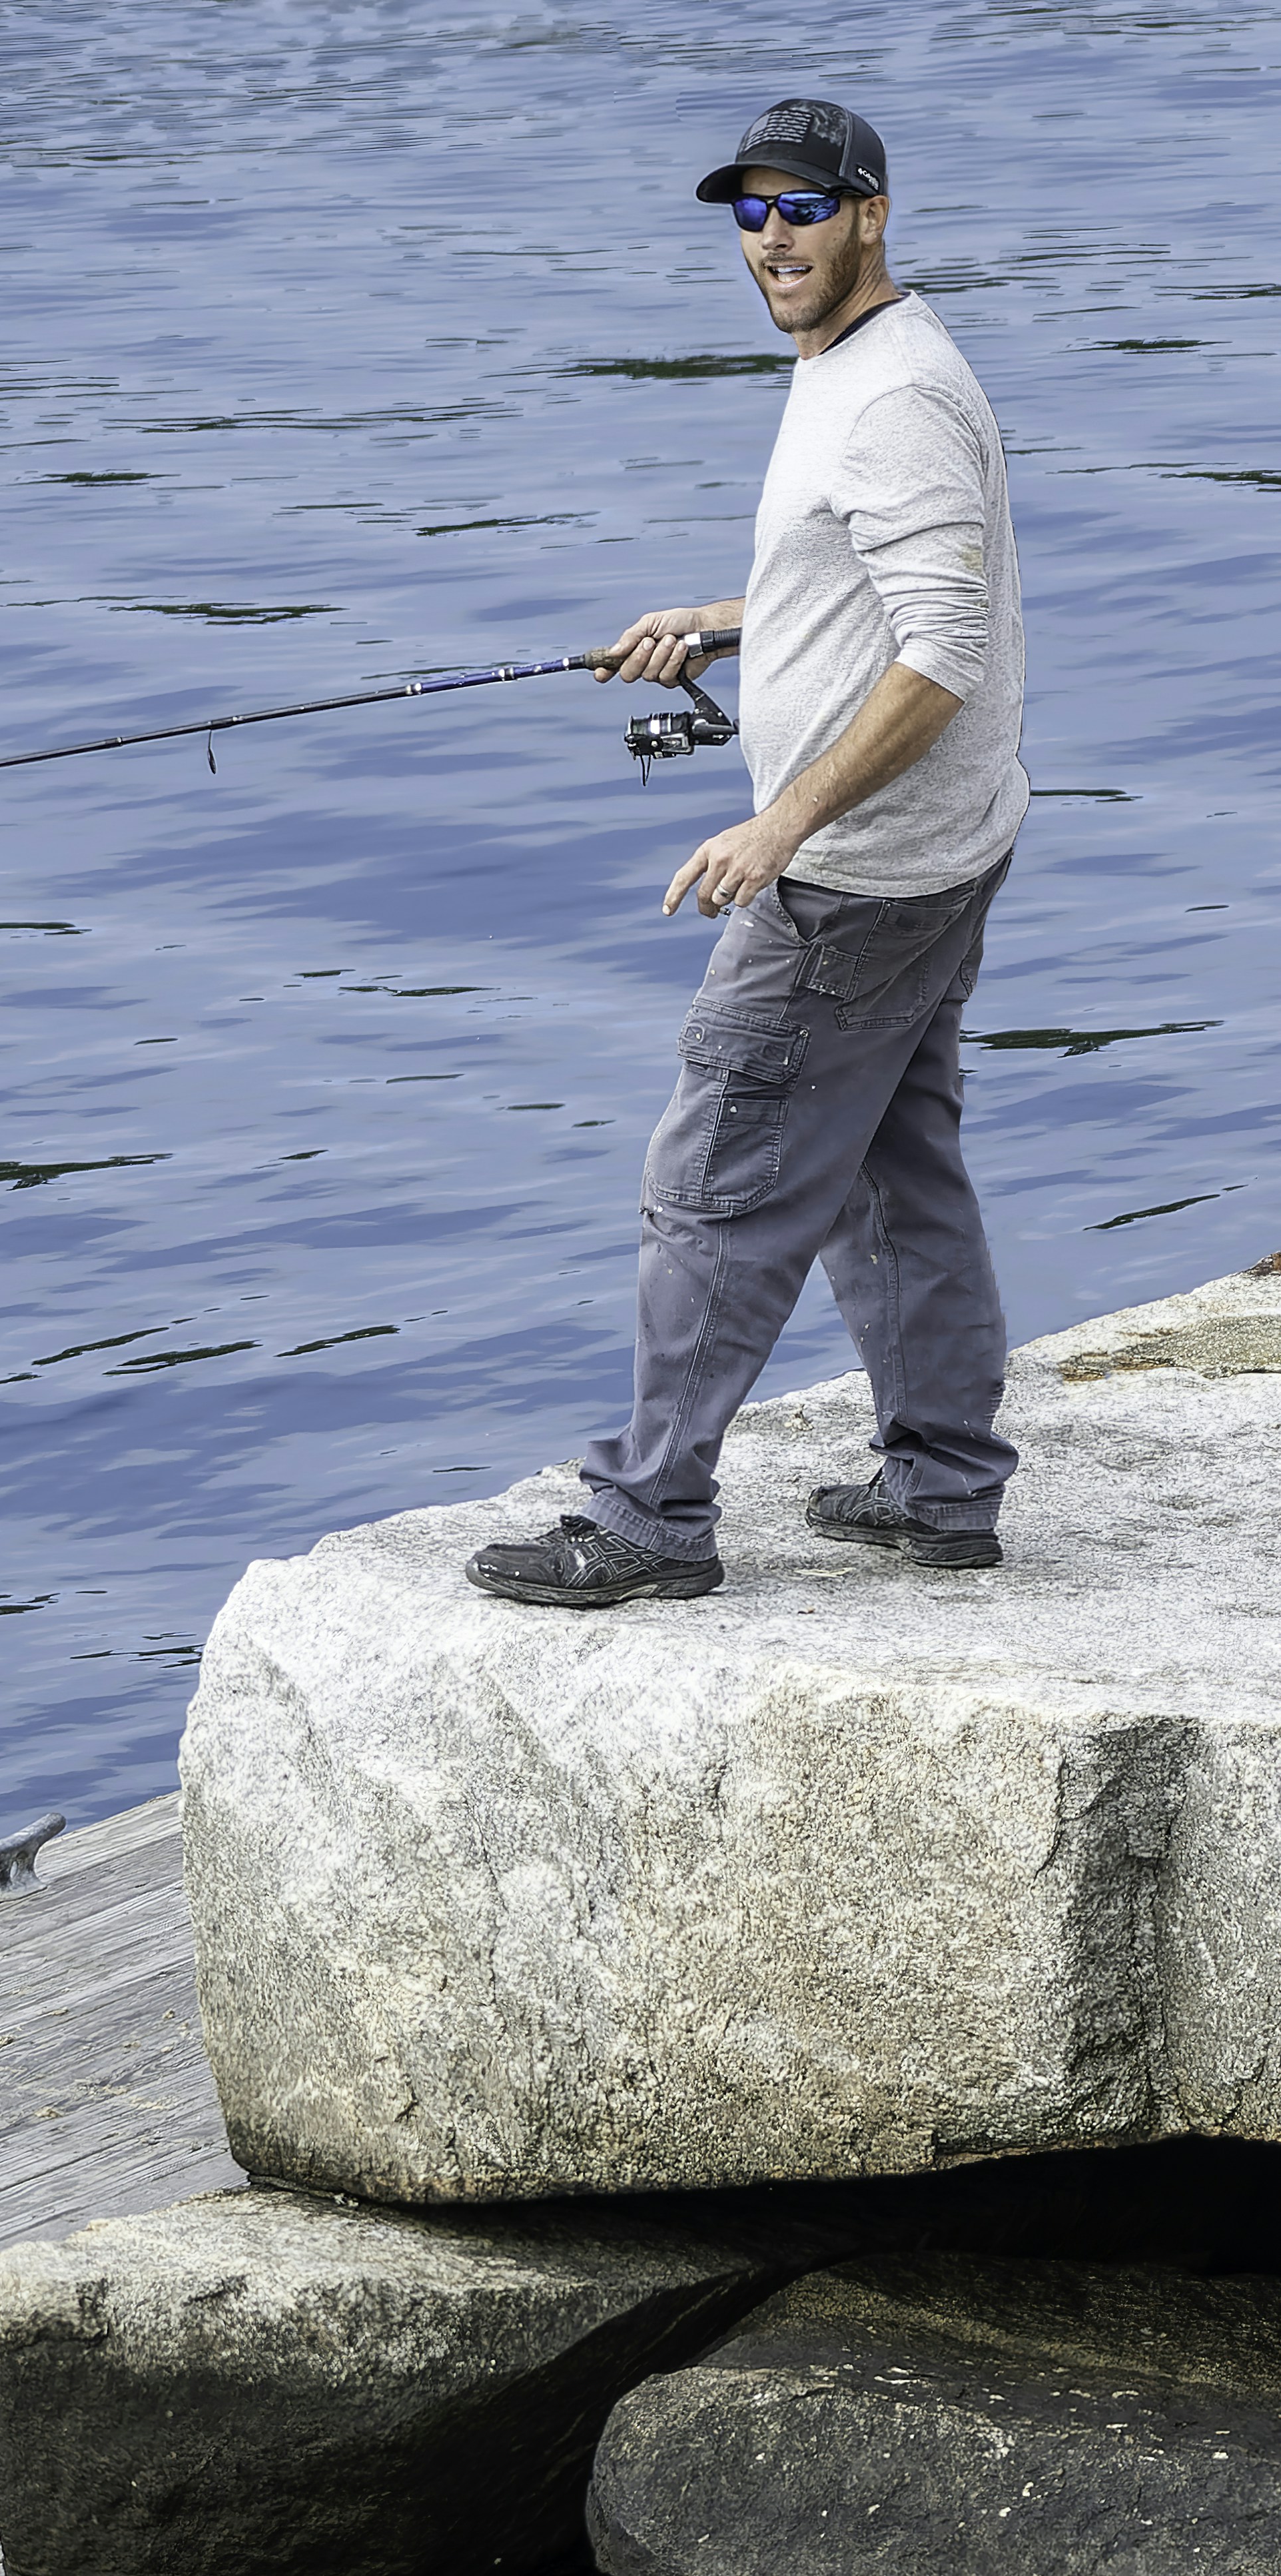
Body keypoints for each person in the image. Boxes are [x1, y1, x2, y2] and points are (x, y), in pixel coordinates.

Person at [468, 97, 1027, 1610]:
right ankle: (942, 1483)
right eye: (749, 212)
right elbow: (872, 583)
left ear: (872, 214)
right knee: (888, 1171)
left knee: (715, 1172)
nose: (771, 237)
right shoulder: (855, 365)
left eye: (802, 207)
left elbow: (945, 650)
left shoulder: (893, 392)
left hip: (858, 877)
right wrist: (732, 620)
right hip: (939, 856)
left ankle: (651, 1513)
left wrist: (784, 819)